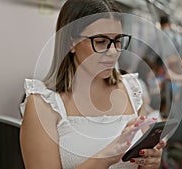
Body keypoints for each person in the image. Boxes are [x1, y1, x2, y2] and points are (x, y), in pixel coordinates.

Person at [19, 0, 165, 169]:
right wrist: (105, 157)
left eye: (117, 41)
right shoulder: (42, 104)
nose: (113, 52)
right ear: (71, 43)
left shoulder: (131, 91)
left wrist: (149, 163)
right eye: (101, 42)